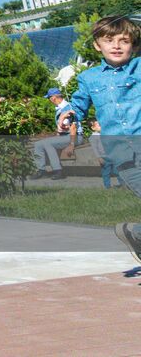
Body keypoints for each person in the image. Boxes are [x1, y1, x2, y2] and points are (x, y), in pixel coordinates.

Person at [64, 14, 141, 263]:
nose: (116, 46)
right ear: (98, 44)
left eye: (124, 40)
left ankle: (135, 234)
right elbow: (79, 104)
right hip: (122, 153)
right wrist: (70, 114)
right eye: (109, 40)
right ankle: (135, 234)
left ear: (134, 45)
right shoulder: (90, 77)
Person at [30, 88, 76, 180]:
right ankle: (41, 170)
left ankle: (58, 171)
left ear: (54, 98)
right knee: (38, 144)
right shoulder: (61, 108)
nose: (49, 100)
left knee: (48, 143)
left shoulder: (67, 108)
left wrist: (72, 144)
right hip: (65, 136)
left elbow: (73, 127)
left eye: (49, 98)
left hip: (74, 137)